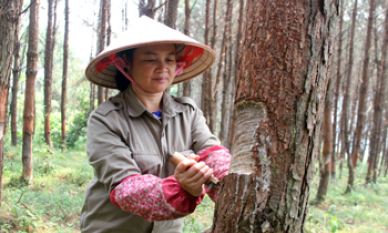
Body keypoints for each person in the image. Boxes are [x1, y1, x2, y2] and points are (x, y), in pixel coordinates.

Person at [81, 16, 231, 233]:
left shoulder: (188, 112)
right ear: (127, 65)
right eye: (150, 60)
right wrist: (183, 189)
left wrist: (230, 187)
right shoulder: (106, 119)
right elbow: (126, 189)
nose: (162, 68)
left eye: (169, 60)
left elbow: (212, 153)